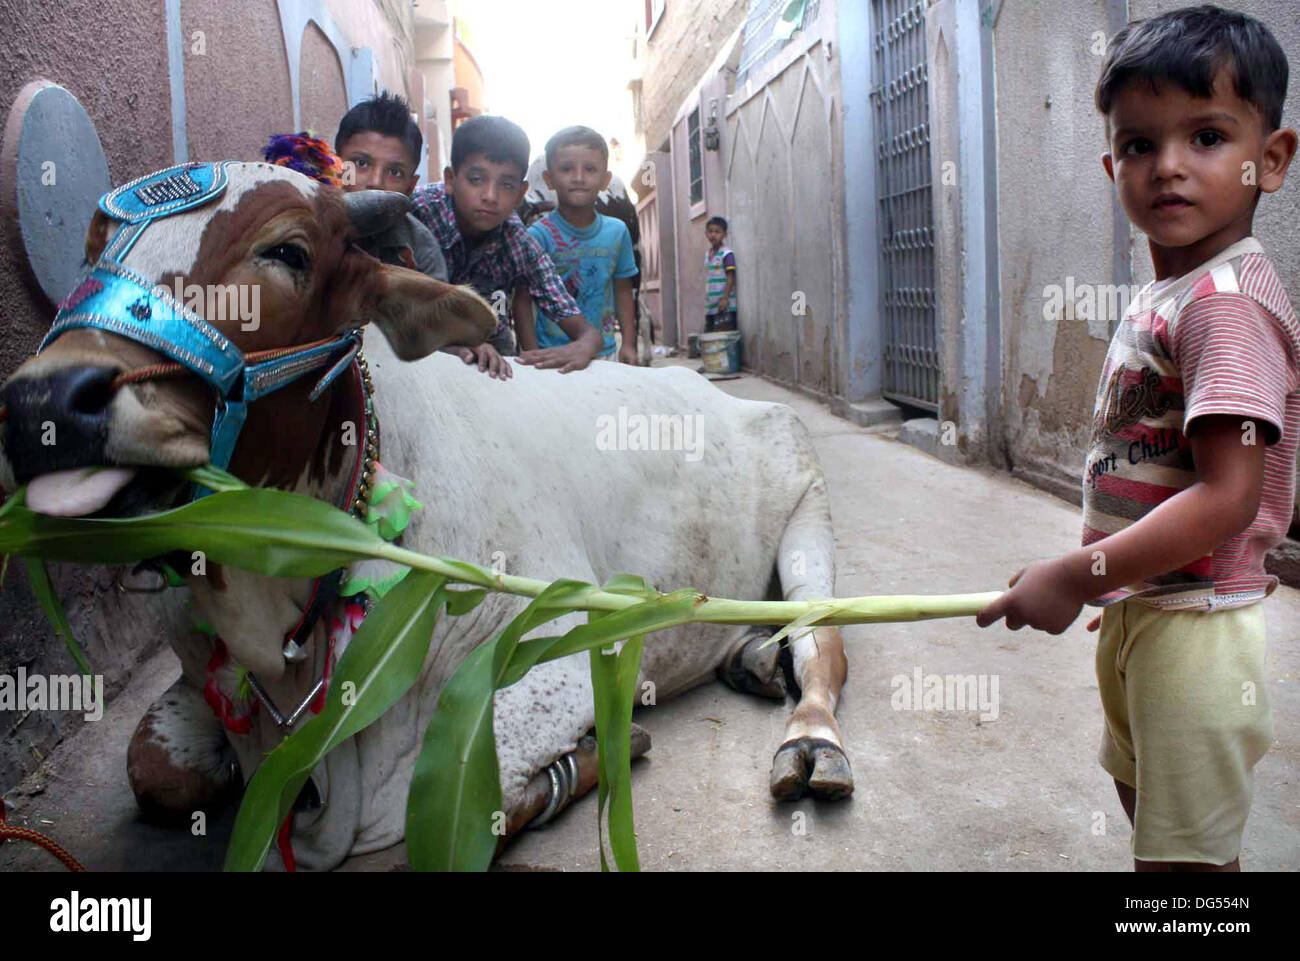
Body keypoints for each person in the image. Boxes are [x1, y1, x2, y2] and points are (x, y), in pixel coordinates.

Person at [976, 4, 1299, 872]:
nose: (1170, 168)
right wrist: (1107, 576)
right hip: (1148, 606)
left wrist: (1078, 576)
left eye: (1206, 136)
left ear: (1269, 159)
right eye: (1140, 144)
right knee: (1150, 810)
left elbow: (1228, 498)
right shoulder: (1172, 289)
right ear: (1111, 162)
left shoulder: (1223, 304)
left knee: (1185, 866)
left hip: (1196, 631)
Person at [409, 115, 603, 376]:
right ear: (450, 180)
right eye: (476, 179)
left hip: (490, 358)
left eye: (506, 185)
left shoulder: (519, 242)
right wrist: (449, 342)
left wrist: (584, 346)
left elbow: (583, 329)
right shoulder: (415, 212)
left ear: (521, 194)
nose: (490, 196)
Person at [511, 126, 639, 365]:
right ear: (549, 179)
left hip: (604, 353)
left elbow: (623, 290)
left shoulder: (617, 232)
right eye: (567, 168)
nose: (579, 177)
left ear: (605, 180)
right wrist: (530, 352)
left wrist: (629, 345)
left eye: (590, 169)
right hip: (552, 356)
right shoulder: (537, 236)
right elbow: (523, 299)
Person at [704, 216, 737, 332]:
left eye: (717, 232)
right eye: (710, 231)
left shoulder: (726, 254)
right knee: (710, 338)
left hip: (724, 306)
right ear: (706, 234)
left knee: (723, 338)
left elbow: (730, 277)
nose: (713, 235)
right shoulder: (708, 254)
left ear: (724, 235)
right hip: (711, 306)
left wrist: (725, 298)